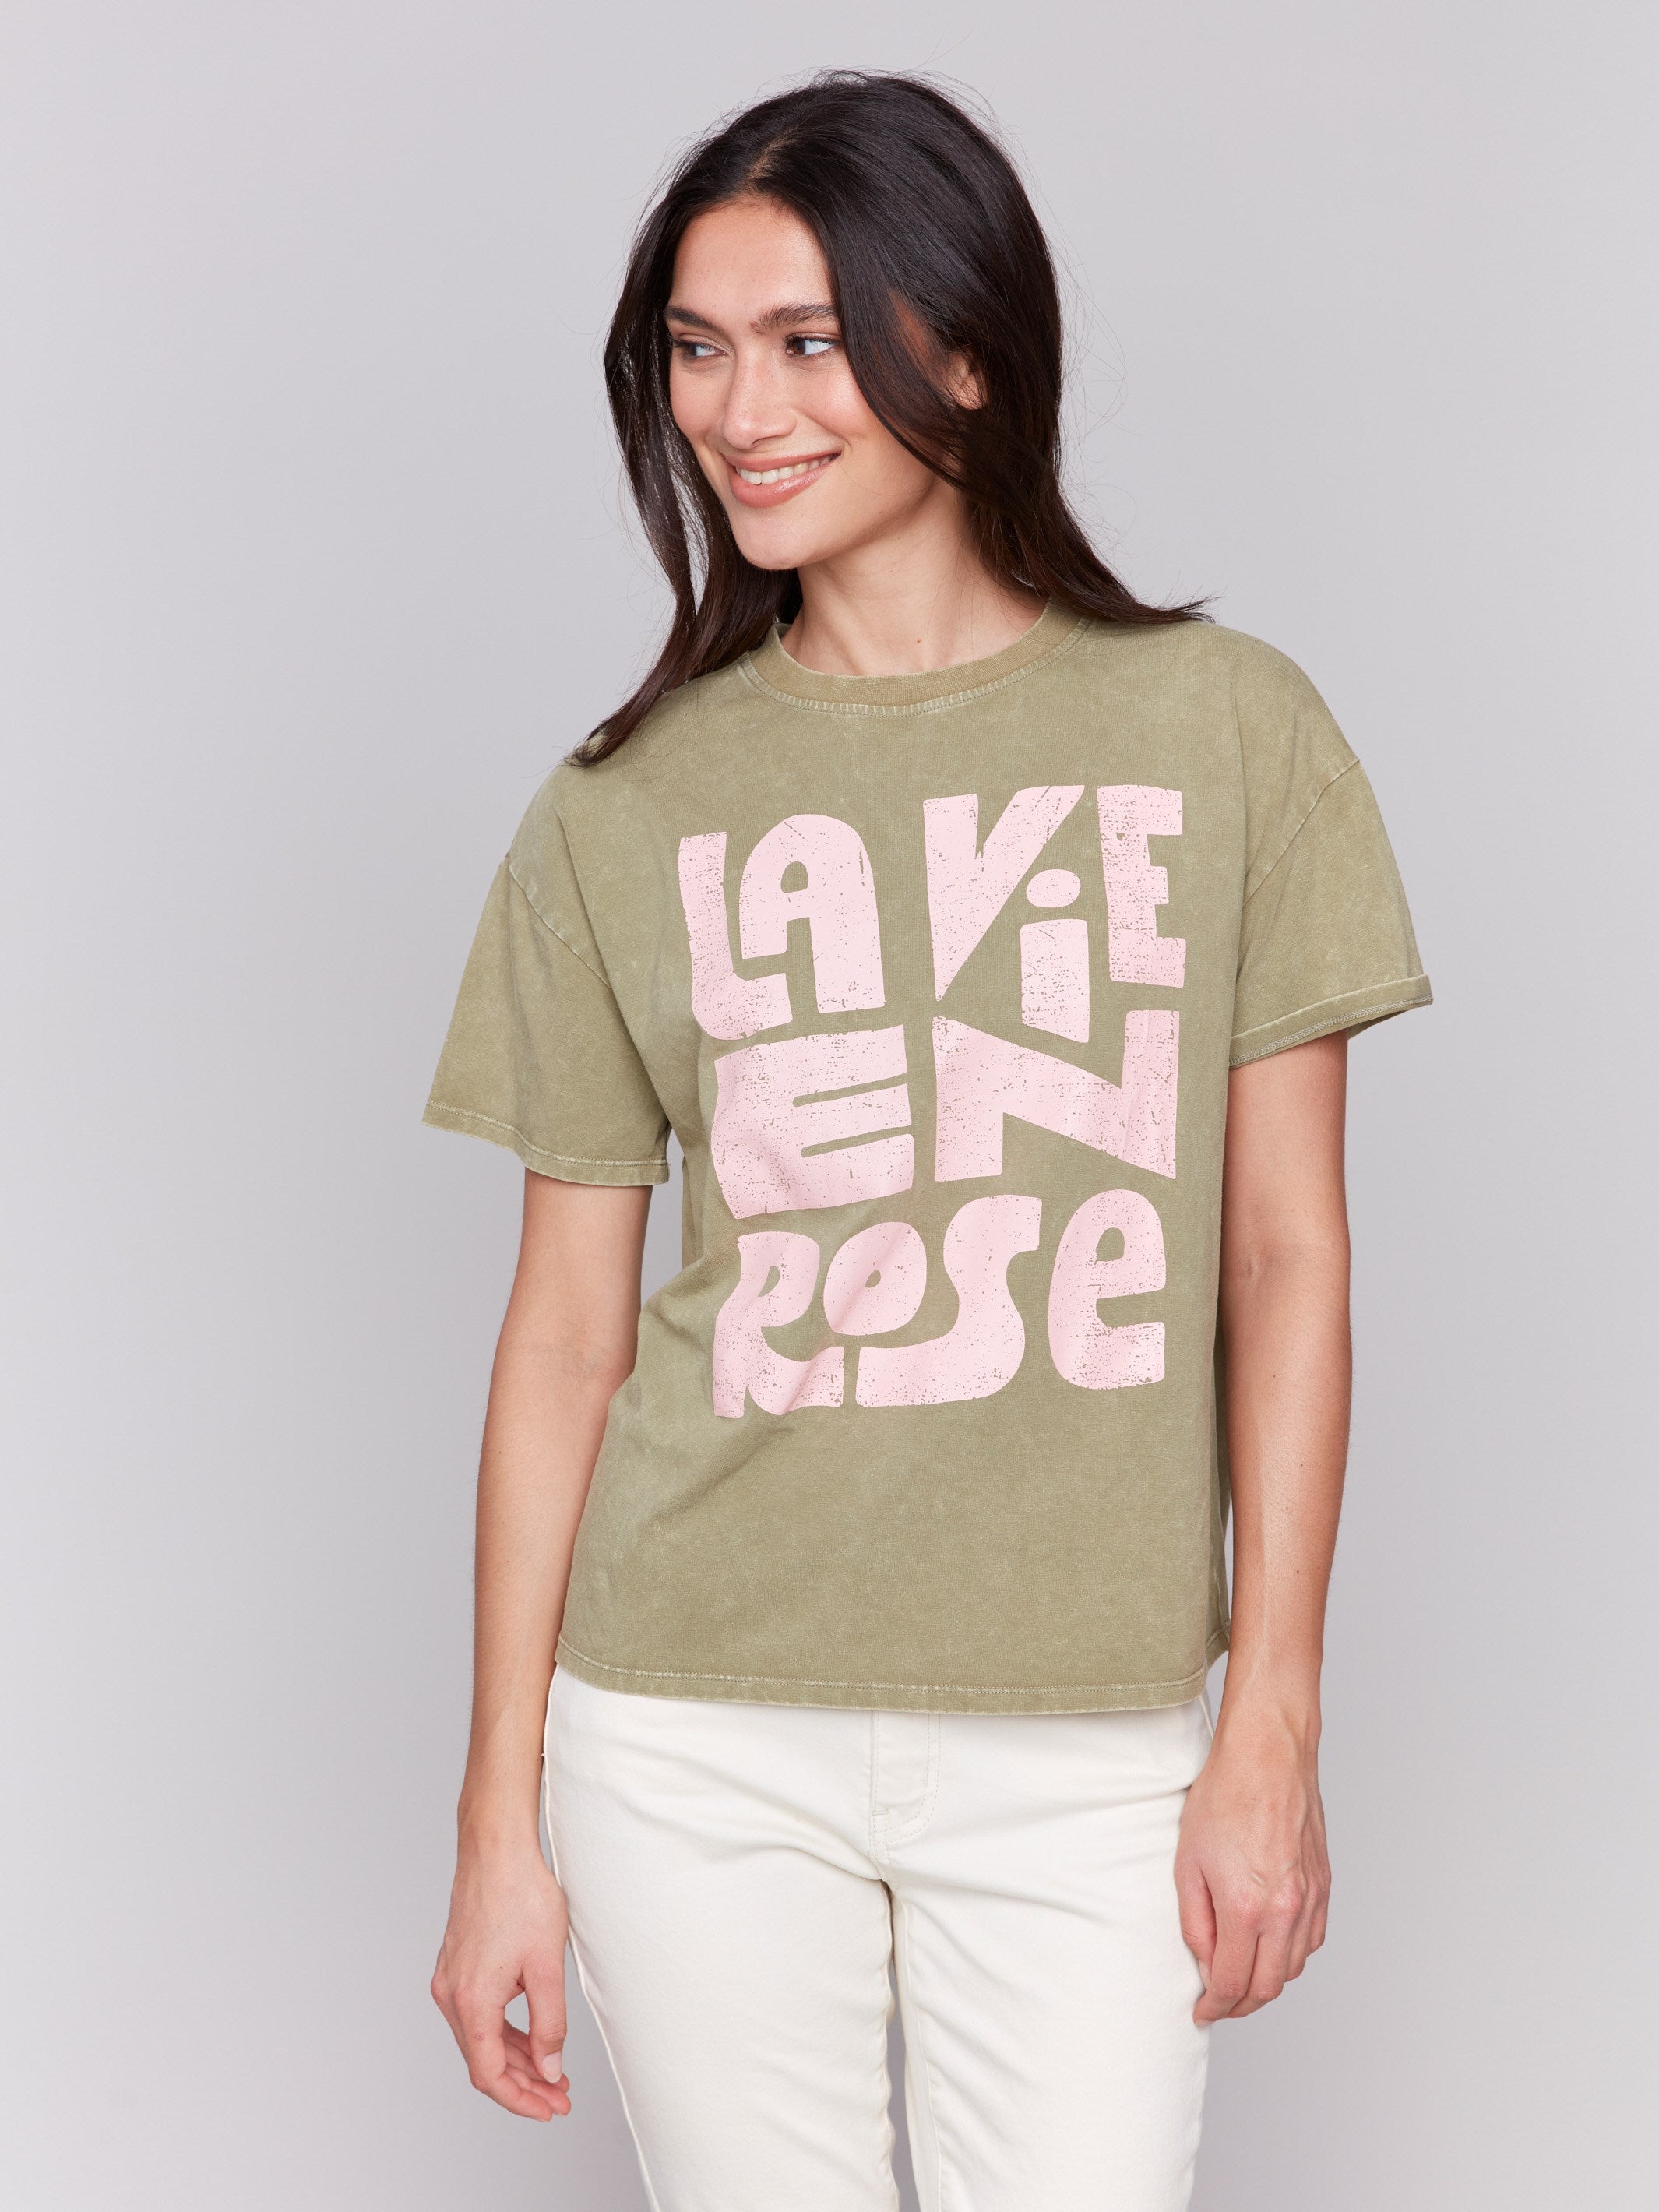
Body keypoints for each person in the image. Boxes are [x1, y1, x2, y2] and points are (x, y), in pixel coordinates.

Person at [424, 70, 1430, 2212]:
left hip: (1089, 1732)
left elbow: (1285, 1261)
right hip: (689, 1725)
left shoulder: (1226, 732)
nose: (739, 412)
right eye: (698, 350)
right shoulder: (617, 812)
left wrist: (1271, 1716)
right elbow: (562, 1339)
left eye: (806, 342)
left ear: (966, 352)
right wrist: (498, 1816)